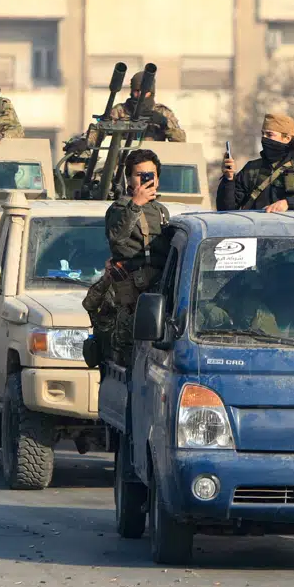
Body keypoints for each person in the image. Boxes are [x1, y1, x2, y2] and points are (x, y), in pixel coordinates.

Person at [83, 149, 171, 368]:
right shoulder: (121, 208)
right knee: (128, 358)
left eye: (150, 175)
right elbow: (117, 239)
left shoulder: (161, 211)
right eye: (140, 175)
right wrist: (136, 204)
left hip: (157, 292)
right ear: (129, 179)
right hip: (131, 296)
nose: (146, 180)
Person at [216, 113, 294, 213]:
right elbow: (226, 210)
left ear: (287, 138)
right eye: (263, 134)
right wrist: (228, 179)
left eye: (270, 135)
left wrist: (288, 203)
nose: (264, 139)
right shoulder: (251, 169)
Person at [107, 71, 186, 142]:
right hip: (126, 156)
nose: (140, 95)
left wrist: (165, 123)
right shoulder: (120, 110)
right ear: (132, 91)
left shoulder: (163, 112)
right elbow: (99, 131)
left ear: (152, 92)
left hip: (153, 156)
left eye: (145, 92)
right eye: (137, 91)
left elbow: (181, 140)